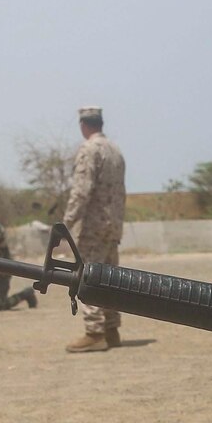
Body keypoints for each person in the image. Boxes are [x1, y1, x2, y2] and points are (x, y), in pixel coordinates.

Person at [63, 106, 127, 352]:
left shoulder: (89, 150)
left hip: (93, 226)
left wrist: (66, 223)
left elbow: (81, 190)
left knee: (87, 277)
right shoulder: (115, 150)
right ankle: (112, 329)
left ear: (83, 125)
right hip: (113, 226)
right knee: (112, 279)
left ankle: (94, 331)